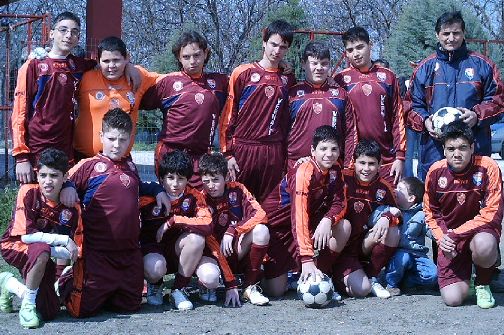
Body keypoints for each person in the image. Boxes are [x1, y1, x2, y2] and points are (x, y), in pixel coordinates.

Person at [61, 109, 168, 317]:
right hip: (98, 254)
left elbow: (138, 187)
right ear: (101, 137)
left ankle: (110, 290)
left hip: (128, 254)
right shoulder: (89, 166)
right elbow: (65, 181)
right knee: (81, 311)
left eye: (122, 139)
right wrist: (68, 186)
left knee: (130, 307)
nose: (117, 144)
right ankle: (67, 276)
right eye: (111, 138)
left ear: (130, 140)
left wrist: (158, 189)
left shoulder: (130, 165)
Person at [405, 11, 504, 180]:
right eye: (446, 33)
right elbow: (410, 106)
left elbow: (498, 101)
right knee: (436, 201)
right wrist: (425, 121)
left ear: (463, 33)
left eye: (456, 33)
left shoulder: (483, 65)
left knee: (476, 200)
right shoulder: (424, 68)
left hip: (475, 148)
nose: (451, 38)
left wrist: (476, 115)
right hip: (434, 151)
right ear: (437, 35)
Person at [261, 125, 349, 299]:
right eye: (323, 149)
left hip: (305, 225)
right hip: (278, 230)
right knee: (275, 291)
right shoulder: (304, 172)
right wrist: (307, 258)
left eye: (334, 149)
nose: (329, 154)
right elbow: (298, 216)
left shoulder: (336, 169)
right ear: (312, 151)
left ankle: (318, 278)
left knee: (343, 227)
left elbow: (340, 202)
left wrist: (328, 219)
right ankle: (254, 280)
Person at [424, 121, 503, 309]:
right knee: (453, 300)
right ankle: (467, 275)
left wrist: (454, 234)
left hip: (478, 235)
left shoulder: (488, 167)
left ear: (472, 147)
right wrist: (443, 238)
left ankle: (483, 283)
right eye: (451, 149)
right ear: (443, 150)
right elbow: (431, 211)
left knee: (484, 245)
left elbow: (491, 213)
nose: (456, 154)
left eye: (462, 148)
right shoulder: (435, 171)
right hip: (450, 240)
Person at [0, 148, 82, 328]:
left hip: (42, 252)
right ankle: (27, 307)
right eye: (43, 175)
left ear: (65, 177)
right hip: (14, 245)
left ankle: (8, 283)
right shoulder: (28, 191)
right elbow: (27, 236)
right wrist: (63, 241)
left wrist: (68, 247)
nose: (47, 181)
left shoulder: (71, 206)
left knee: (49, 311)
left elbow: (74, 249)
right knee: (41, 250)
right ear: (37, 175)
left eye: (54, 175)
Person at [11, 12, 96, 184]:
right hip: (36, 147)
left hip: (65, 147)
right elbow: (19, 112)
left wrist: (130, 68)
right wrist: (21, 156)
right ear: (51, 33)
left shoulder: (78, 65)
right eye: (63, 30)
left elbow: (109, 64)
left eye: (74, 32)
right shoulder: (33, 65)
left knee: (62, 200)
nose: (68, 35)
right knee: (33, 199)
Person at [220, 19, 297, 201]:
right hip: (244, 149)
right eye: (273, 44)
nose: (277, 51)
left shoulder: (288, 79)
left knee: (268, 204)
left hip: (273, 152)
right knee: (236, 202)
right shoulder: (243, 73)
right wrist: (228, 153)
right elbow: (229, 115)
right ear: (264, 42)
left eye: (283, 47)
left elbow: (287, 120)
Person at [140, 31, 228, 189]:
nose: (192, 61)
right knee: (174, 201)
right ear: (178, 58)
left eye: (197, 55)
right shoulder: (168, 82)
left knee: (201, 203)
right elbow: (137, 100)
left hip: (202, 155)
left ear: (206, 53)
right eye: (186, 57)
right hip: (171, 152)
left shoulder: (220, 82)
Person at [140, 150, 215, 311]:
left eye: (181, 179)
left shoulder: (194, 196)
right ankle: (156, 284)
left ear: (188, 179)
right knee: (155, 268)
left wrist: (174, 221)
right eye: (170, 178)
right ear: (161, 178)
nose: (175, 184)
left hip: (180, 252)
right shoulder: (148, 198)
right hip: (154, 251)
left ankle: (178, 290)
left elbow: (208, 223)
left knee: (196, 239)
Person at [334, 27, 406, 185]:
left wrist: (400, 156)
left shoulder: (388, 76)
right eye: (350, 50)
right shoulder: (340, 80)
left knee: (388, 208)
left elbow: (397, 117)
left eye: (360, 47)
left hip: (386, 158)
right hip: (354, 160)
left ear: (370, 45)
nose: (356, 53)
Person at [198, 152, 270, 306]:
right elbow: (210, 241)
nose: (211, 185)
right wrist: (230, 283)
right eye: (206, 181)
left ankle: (249, 286)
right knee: (210, 277)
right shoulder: (200, 199)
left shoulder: (238, 189)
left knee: (261, 231)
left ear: (226, 177)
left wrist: (234, 230)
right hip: (213, 253)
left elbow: (260, 214)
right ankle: (205, 285)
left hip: (235, 248)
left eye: (216, 180)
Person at [74, 36, 160, 160]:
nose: (111, 66)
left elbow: (169, 81)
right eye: (106, 61)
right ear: (98, 61)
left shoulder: (138, 76)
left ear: (127, 58)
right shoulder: (86, 78)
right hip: (82, 159)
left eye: (116, 60)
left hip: (121, 161)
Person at [335, 139, 400, 299]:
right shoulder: (342, 178)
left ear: (379, 165)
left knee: (393, 230)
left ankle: (373, 275)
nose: (366, 168)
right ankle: (329, 275)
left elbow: (399, 214)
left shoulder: (384, 188)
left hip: (362, 245)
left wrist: (387, 217)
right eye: (361, 163)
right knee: (361, 290)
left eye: (371, 164)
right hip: (338, 244)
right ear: (354, 162)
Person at [287, 41, 356, 171]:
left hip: (332, 165)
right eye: (314, 63)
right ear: (303, 64)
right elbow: (281, 131)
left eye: (324, 63)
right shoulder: (293, 93)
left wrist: (348, 165)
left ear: (329, 65)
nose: (319, 68)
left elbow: (350, 133)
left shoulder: (340, 95)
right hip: (296, 164)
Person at [372, 177, 437, 296]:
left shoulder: (422, 214)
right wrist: (388, 213)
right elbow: (372, 219)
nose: (395, 191)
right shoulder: (390, 208)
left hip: (418, 254)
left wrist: (443, 235)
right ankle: (390, 284)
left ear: (411, 198)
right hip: (398, 253)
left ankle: (408, 281)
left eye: (400, 189)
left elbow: (431, 230)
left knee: (433, 276)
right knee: (402, 258)